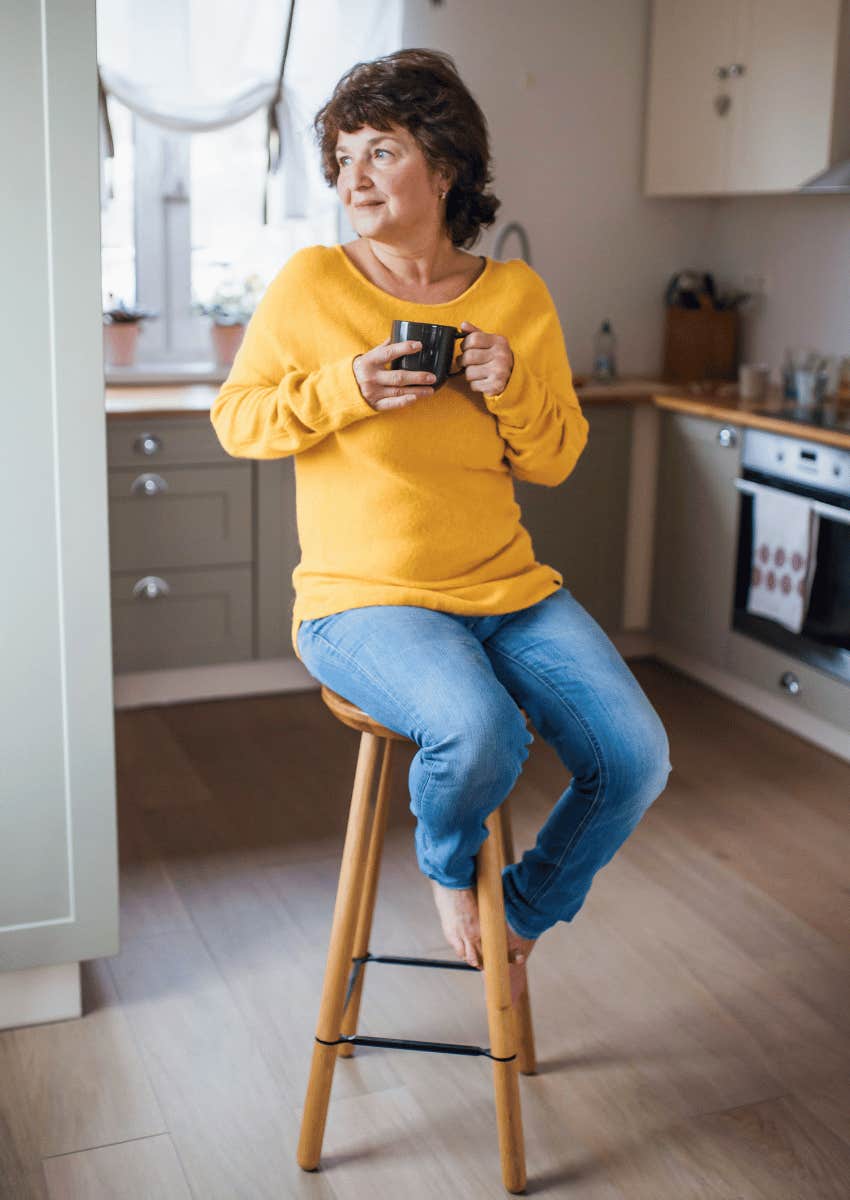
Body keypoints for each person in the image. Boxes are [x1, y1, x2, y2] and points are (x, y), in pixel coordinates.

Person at [210, 48, 672, 1004]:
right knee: (480, 730)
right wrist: (347, 388)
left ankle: (525, 909)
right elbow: (237, 421)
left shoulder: (515, 298)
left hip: (506, 589)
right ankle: (449, 868)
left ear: (446, 165)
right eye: (342, 160)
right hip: (363, 601)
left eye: (381, 151)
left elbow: (554, 458)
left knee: (636, 757)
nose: (355, 178)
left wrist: (511, 388)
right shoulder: (311, 285)